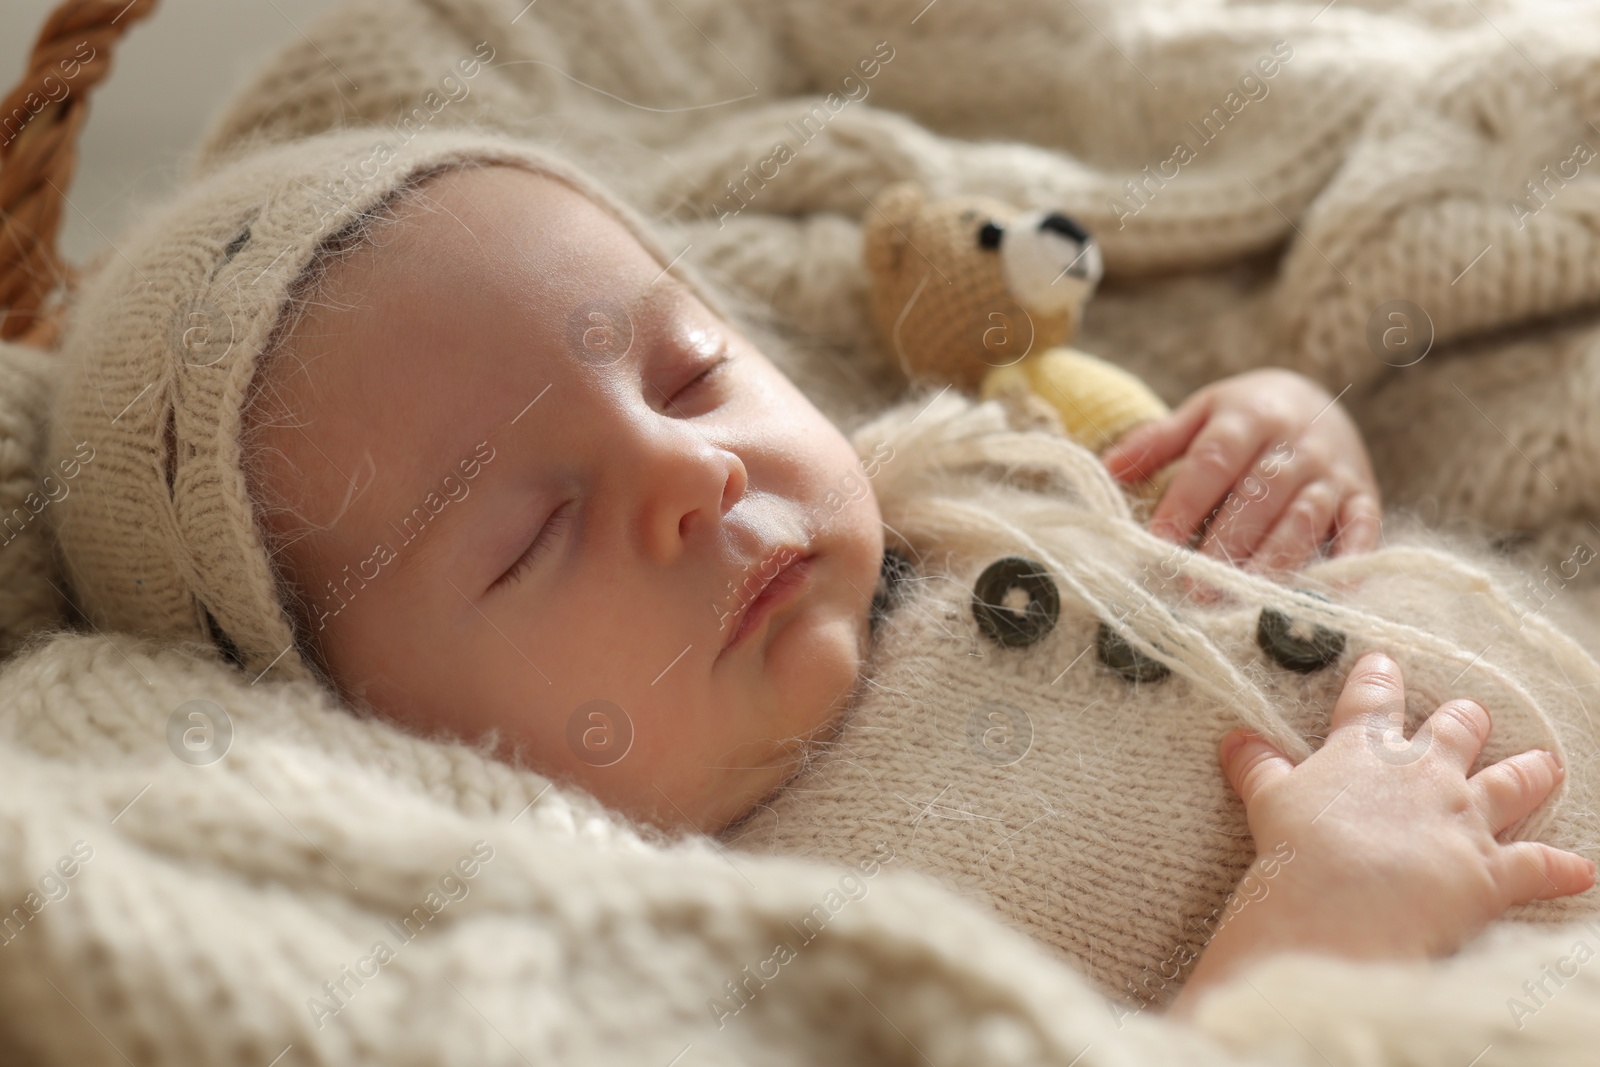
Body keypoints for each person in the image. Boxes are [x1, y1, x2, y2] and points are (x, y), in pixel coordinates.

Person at [45, 127, 1594, 1017]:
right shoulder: (761, 942)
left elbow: (1218, 496)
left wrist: (1290, 433)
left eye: (693, 371)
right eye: (531, 533)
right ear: (374, 739)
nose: (689, 474)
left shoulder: (959, 476)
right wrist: (1318, 944)